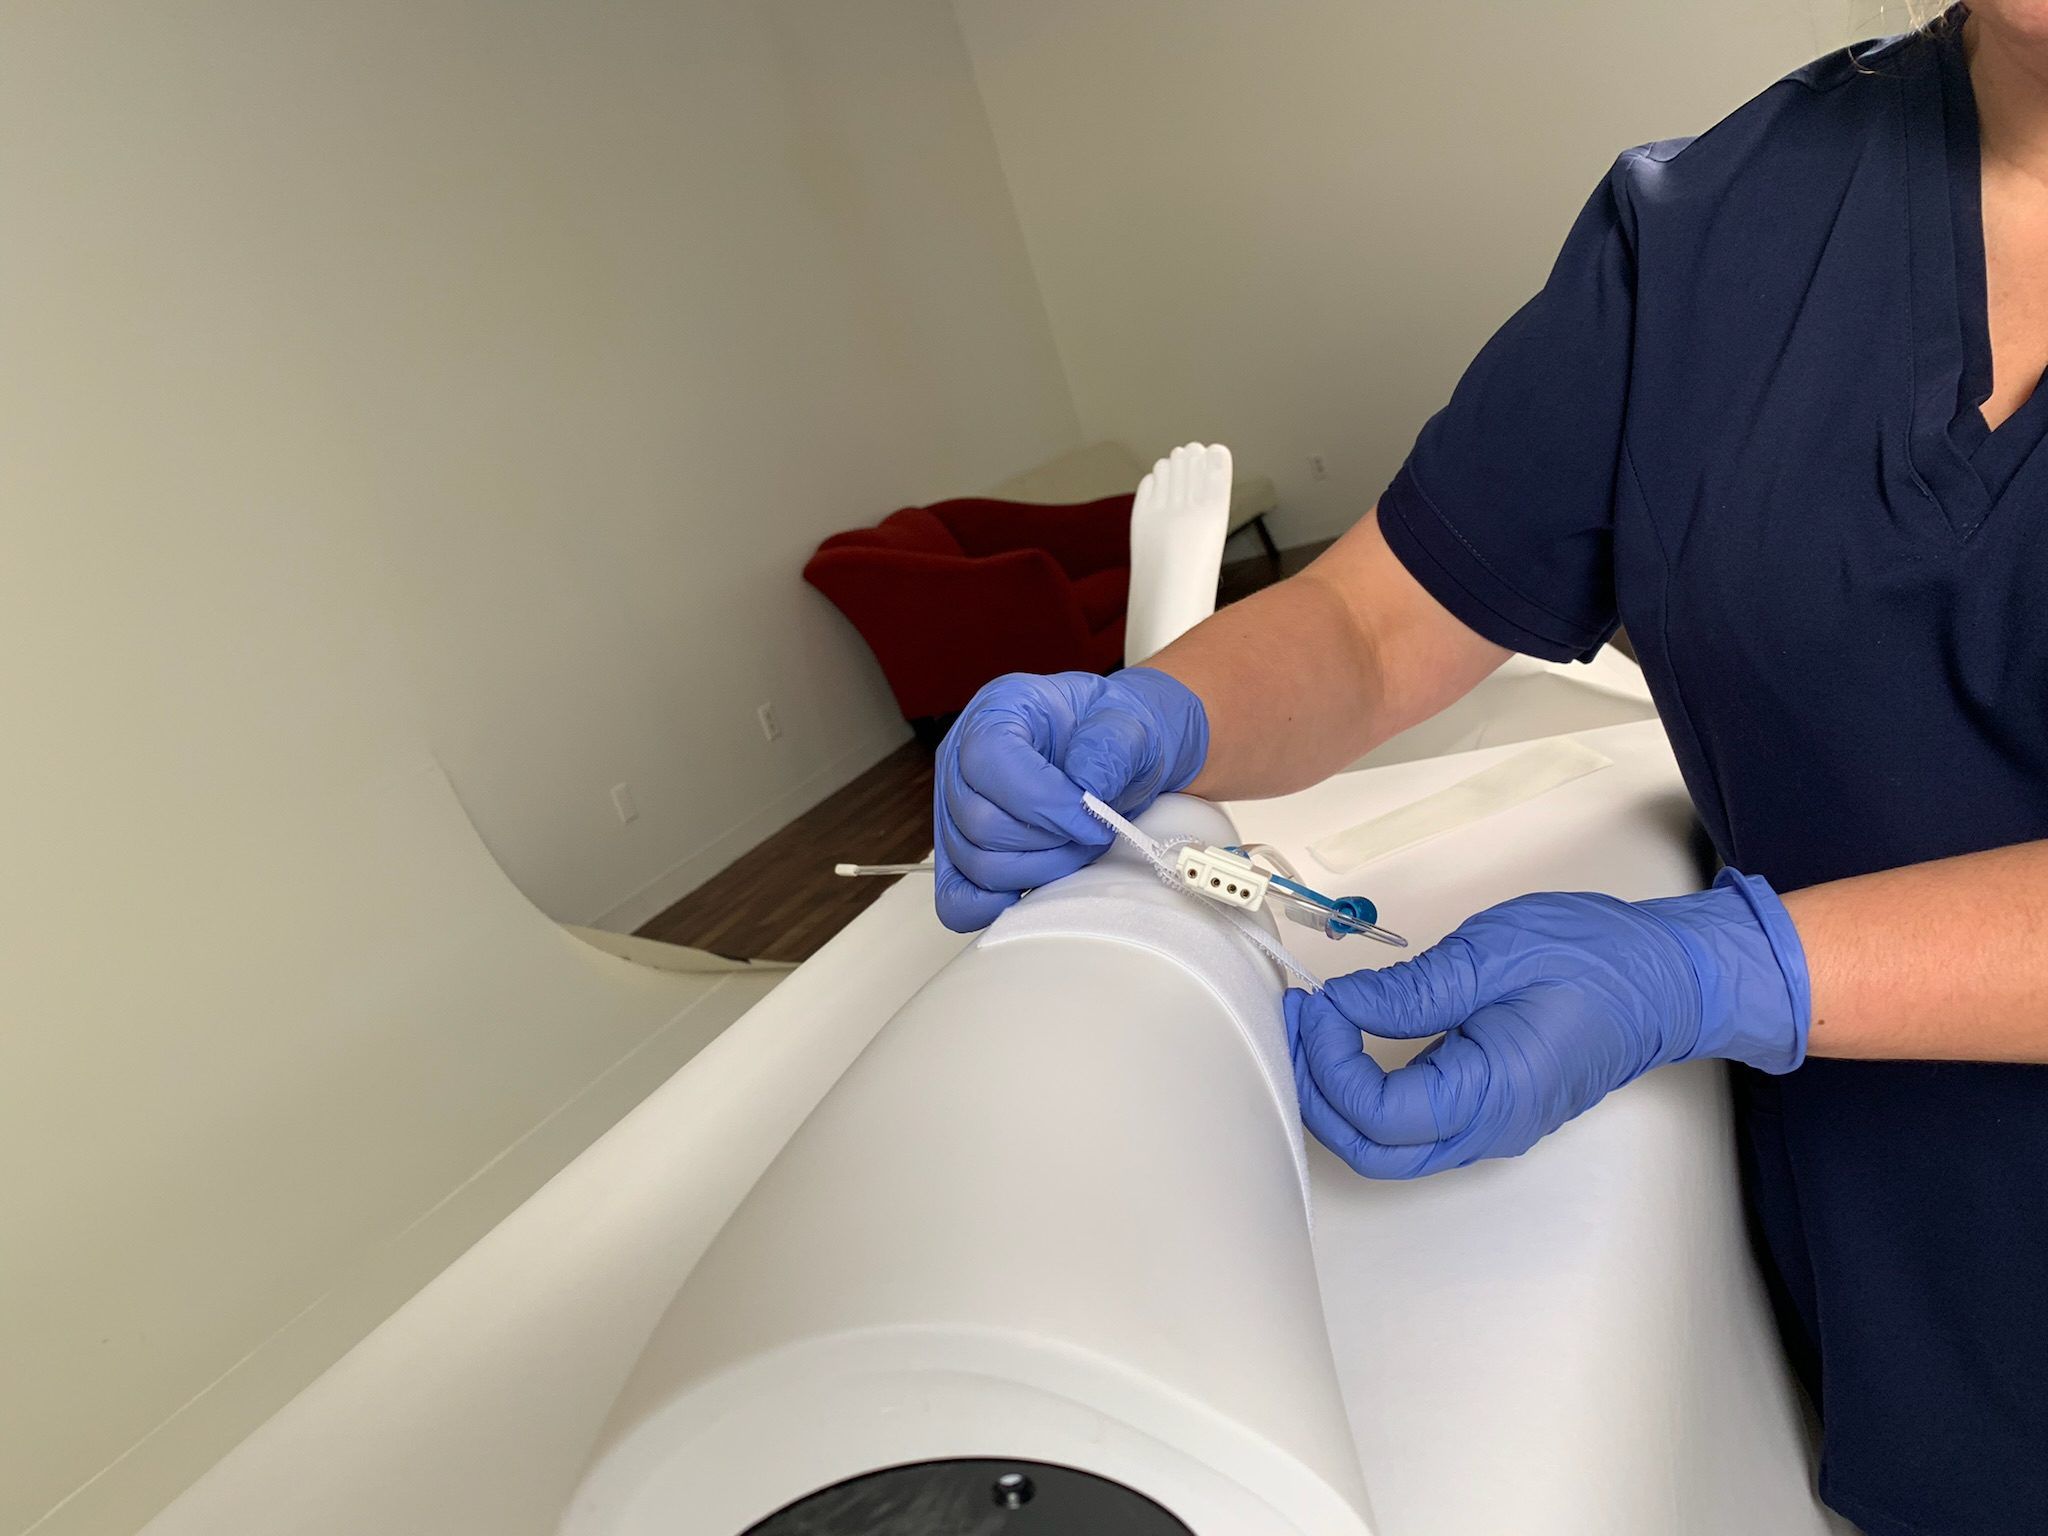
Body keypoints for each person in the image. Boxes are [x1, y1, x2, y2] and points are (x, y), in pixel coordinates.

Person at [929, 7, 2048, 1534]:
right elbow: (1378, 623)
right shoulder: (1722, 226)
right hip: (1920, 1330)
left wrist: (1731, 967)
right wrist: (1146, 718)